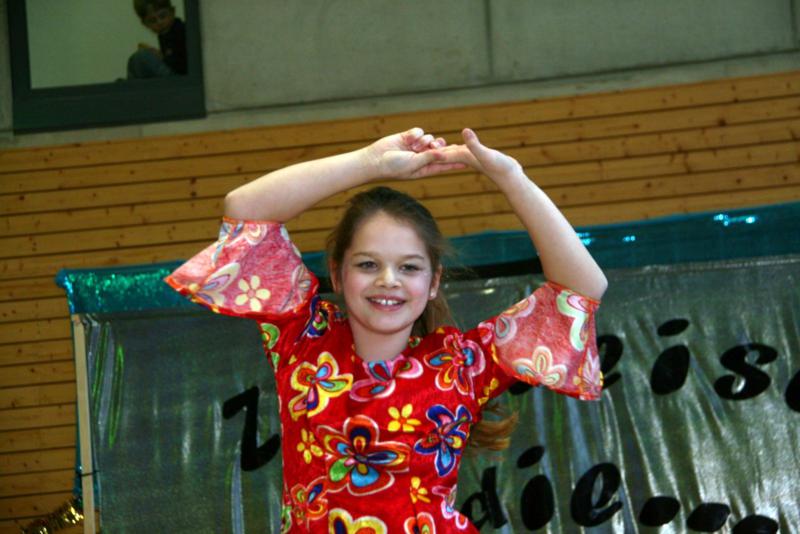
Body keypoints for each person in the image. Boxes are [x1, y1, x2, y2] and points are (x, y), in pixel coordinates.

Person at [165, 127, 608, 532]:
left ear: (433, 282)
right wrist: (369, 162)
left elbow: (582, 288)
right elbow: (244, 209)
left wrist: (511, 177)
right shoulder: (302, 338)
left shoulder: (463, 365)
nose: (388, 281)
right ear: (337, 274)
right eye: (367, 264)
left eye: (409, 267)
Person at [127, 0, 187, 79]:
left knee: (141, 57)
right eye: (153, 20)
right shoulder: (164, 35)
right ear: (145, 24)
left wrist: (159, 57)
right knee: (136, 60)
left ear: (172, 12)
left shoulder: (182, 30)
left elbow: (180, 65)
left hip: (180, 79)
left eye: (163, 16)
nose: (159, 22)